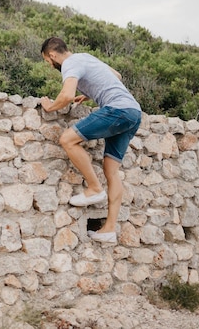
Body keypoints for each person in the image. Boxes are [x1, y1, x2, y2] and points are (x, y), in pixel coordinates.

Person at [39, 37, 141, 243]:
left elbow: (67, 95)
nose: (50, 66)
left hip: (117, 110)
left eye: (47, 62)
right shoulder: (85, 57)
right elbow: (116, 76)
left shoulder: (70, 63)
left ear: (52, 55)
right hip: (134, 112)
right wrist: (88, 94)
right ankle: (109, 230)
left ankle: (94, 188)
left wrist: (49, 106)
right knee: (111, 171)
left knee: (67, 139)